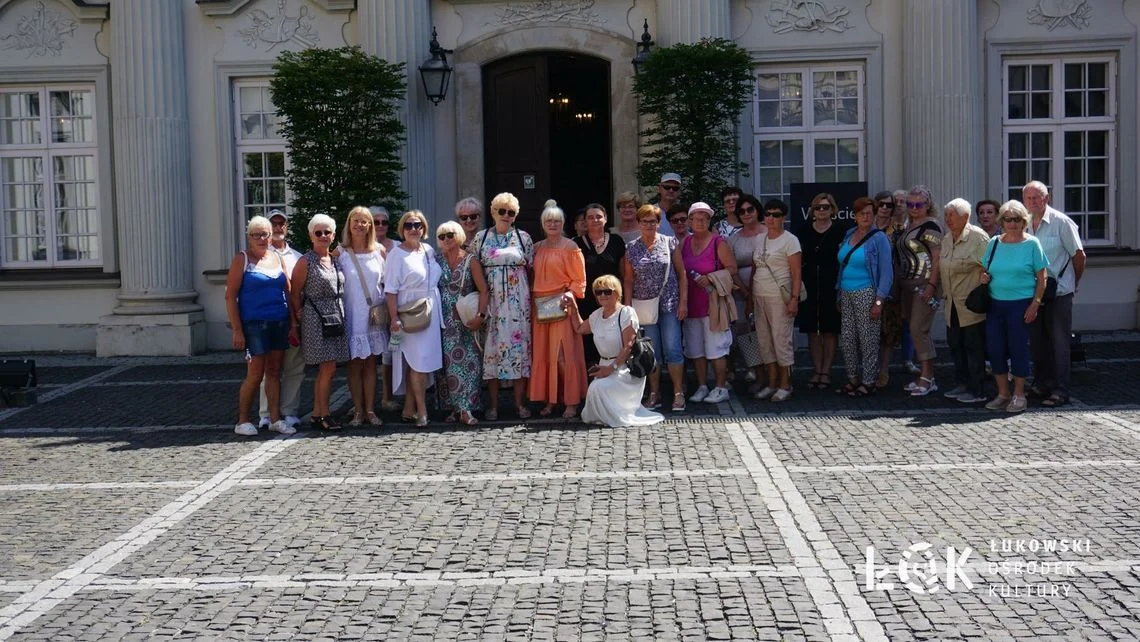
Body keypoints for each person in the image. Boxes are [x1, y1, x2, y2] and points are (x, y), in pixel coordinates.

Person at [225, 215, 295, 437]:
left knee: (275, 371)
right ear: (249, 237)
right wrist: (237, 329)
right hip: (254, 325)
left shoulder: (276, 257)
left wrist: (293, 323)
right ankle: (243, 420)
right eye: (257, 235)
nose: (262, 239)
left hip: (279, 321)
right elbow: (230, 296)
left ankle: (275, 419)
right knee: (255, 374)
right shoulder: (242, 259)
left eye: (265, 234)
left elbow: (289, 291)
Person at [566, 275, 665, 427]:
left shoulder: (626, 313)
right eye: (599, 292)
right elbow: (579, 328)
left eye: (607, 291)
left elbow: (629, 345)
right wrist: (573, 307)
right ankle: (606, 417)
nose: (603, 295)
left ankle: (615, 416)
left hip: (624, 368)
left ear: (617, 294)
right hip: (604, 365)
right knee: (594, 389)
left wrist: (611, 368)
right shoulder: (597, 315)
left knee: (597, 387)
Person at [979, 200, 1048, 413]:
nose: (1012, 223)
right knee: (995, 349)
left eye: (1016, 219)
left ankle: (1019, 395)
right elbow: (984, 269)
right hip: (995, 304)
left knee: (1018, 349)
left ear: (1023, 221)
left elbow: (1042, 276)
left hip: (1020, 305)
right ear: (1001, 221)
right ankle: (1003, 394)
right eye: (1007, 219)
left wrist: (1035, 304)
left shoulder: (1032, 244)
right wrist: (983, 278)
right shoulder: (994, 243)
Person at [1023, 180, 1086, 408]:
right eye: (1028, 198)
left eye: (1036, 197)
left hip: (1059, 292)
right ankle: (1042, 383)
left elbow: (1079, 256)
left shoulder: (1061, 222)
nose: (1032, 202)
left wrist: (1073, 282)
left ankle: (1061, 390)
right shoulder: (1024, 223)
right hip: (1032, 292)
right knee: (1038, 342)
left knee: (1060, 343)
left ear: (1046, 198)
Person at [473, 192, 534, 420]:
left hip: (518, 305)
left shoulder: (523, 237)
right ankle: (493, 406)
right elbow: (474, 269)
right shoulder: (481, 238)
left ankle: (520, 404)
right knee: (492, 354)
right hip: (493, 304)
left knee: (519, 353)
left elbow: (530, 268)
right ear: (493, 212)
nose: (506, 216)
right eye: (502, 211)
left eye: (511, 212)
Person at [621, 204, 688, 412]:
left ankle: (678, 393)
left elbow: (682, 274)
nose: (649, 225)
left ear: (659, 223)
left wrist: (683, 302)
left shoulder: (670, 243)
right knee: (652, 352)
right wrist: (628, 307)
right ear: (639, 223)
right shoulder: (631, 247)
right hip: (643, 306)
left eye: (653, 221)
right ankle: (654, 393)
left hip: (669, 304)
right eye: (645, 221)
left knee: (673, 349)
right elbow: (629, 281)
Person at [290, 214, 350, 431]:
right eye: (319, 232)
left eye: (327, 232)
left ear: (333, 235)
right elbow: (294, 293)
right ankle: (324, 414)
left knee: (330, 369)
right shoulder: (305, 261)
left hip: (335, 315)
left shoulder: (335, 259)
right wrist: (296, 319)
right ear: (311, 235)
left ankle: (318, 413)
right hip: (316, 318)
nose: (323, 236)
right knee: (327, 368)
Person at [385, 210, 444, 427]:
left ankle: (409, 408)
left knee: (420, 364)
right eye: (408, 225)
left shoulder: (428, 250)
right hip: (409, 315)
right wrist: (393, 318)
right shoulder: (395, 255)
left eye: (417, 225)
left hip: (430, 311)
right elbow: (390, 290)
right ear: (402, 229)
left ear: (424, 228)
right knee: (417, 364)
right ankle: (422, 411)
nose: (413, 229)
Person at [531, 201, 588, 418]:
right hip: (539, 308)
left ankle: (571, 401)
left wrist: (570, 294)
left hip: (562, 306)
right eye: (548, 221)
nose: (552, 224)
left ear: (563, 223)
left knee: (564, 356)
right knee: (545, 355)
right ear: (543, 224)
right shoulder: (536, 248)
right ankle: (551, 400)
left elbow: (579, 280)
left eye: (556, 221)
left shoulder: (571, 248)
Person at [835, 197, 893, 397]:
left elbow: (886, 272)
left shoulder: (880, 239)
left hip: (867, 292)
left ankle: (868, 381)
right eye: (861, 213)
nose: (865, 216)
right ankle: (853, 379)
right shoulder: (849, 234)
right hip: (846, 291)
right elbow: (843, 264)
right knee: (848, 339)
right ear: (855, 216)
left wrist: (879, 301)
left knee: (868, 339)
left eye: (869, 213)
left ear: (875, 215)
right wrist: (839, 294)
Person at [681, 202, 737, 405]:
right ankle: (703, 386)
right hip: (691, 305)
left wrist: (711, 277)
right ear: (690, 221)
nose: (700, 222)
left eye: (705, 218)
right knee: (696, 350)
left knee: (716, 349)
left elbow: (732, 268)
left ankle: (721, 387)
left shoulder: (718, 243)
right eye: (696, 218)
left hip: (712, 305)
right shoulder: (684, 243)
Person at [435, 220, 488, 425]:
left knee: (469, 364)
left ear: (459, 236)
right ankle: (452, 408)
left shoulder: (470, 260)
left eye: (450, 235)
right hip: (442, 320)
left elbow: (484, 290)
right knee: (446, 366)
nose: (447, 239)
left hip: (465, 318)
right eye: (442, 236)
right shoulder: (436, 260)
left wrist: (481, 316)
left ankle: (466, 408)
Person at [337, 206, 387, 426]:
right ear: (349, 224)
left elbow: (387, 282)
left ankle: (370, 409)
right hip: (352, 314)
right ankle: (357, 410)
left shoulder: (379, 251)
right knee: (354, 365)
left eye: (364, 221)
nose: (359, 225)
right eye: (355, 221)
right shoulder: (340, 253)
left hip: (373, 315)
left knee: (370, 365)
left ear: (370, 226)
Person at [257, 209, 303, 432]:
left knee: (294, 367)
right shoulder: (259, 255)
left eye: (281, 223)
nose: (277, 227)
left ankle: (289, 411)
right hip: (268, 320)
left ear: (286, 227)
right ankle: (266, 413)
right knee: (269, 369)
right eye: (273, 223)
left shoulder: (297, 257)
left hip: (293, 320)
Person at [751, 199, 802, 402]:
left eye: (776, 214)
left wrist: (794, 299)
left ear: (784, 217)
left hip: (780, 297)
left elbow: (796, 272)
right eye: (768, 214)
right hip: (759, 294)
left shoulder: (790, 240)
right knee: (764, 341)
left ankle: (785, 384)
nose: (771, 218)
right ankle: (772, 383)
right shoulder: (759, 239)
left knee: (781, 340)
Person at [940, 198, 989, 404]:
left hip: (970, 305)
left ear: (966, 217)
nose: (947, 219)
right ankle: (962, 384)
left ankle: (978, 390)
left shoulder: (978, 238)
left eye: (952, 215)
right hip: (951, 304)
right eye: (946, 215)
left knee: (974, 348)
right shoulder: (946, 238)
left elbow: (990, 268)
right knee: (955, 345)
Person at [897, 185, 944, 396]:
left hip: (925, 283)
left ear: (928, 205)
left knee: (918, 328)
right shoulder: (908, 225)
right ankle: (925, 375)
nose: (914, 208)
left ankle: (928, 376)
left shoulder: (931, 227)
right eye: (910, 204)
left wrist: (932, 285)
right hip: (907, 284)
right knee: (913, 328)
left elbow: (937, 259)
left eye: (919, 204)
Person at [797, 192, 845, 390]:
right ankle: (817, 369)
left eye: (826, 207)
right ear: (812, 210)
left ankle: (826, 371)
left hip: (831, 282)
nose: (822, 211)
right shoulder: (804, 230)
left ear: (833, 210)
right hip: (809, 283)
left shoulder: (840, 230)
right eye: (818, 207)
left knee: (829, 330)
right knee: (812, 331)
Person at [575, 203, 626, 365]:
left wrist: (626, 301)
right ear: (585, 221)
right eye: (590, 217)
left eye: (599, 216)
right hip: (586, 302)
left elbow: (624, 274)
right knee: (588, 344)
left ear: (605, 219)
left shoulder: (617, 241)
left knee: (613, 340)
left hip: (611, 301)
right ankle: (591, 383)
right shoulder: (575, 243)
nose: (595, 220)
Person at [728, 193, 767, 386]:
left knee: (767, 331)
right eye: (741, 211)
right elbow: (730, 267)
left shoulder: (769, 233)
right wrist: (743, 290)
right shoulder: (734, 239)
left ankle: (774, 375)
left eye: (750, 209)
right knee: (746, 333)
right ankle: (754, 371)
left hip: (768, 290)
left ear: (757, 210)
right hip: (740, 293)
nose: (746, 213)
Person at [872, 190, 905, 388]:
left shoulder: (899, 229)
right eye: (881, 204)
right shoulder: (865, 227)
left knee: (887, 331)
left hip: (890, 285)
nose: (884, 208)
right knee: (869, 330)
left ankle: (883, 370)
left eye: (889, 205)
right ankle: (869, 368)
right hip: (866, 283)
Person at [369, 205, 398, 413]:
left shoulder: (396, 246)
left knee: (390, 353)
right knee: (366, 355)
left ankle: (388, 396)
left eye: (384, 222)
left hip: (394, 305)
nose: (380, 226)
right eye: (375, 222)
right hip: (369, 306)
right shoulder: (360, 247)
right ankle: (364, 402)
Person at [655, 172, 682, 236]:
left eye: (675, 188)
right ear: (659, 189)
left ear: (679, 191)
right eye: (667, 187)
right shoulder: (651, 212)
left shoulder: (686, 213)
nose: (671, 190)